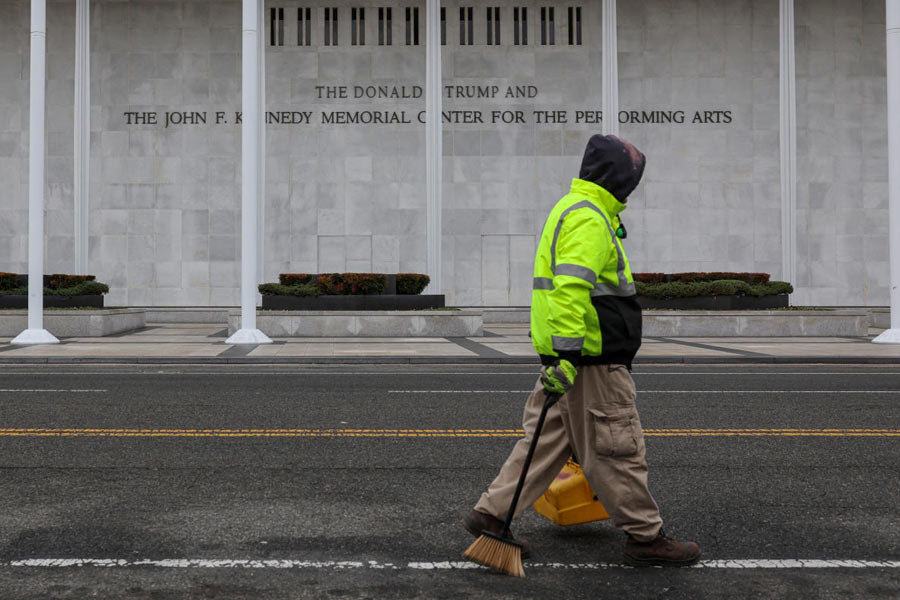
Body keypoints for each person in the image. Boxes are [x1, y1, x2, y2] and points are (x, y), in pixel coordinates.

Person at [463, 134, 700, 567]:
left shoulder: (572, 209)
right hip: (590, 362)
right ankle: (645, 537)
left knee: (543, 442)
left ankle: (492, 514)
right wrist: (570, 356)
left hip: (571, 360)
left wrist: (560, 357)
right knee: (616, 447)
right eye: (631, 177)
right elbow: (571, 290)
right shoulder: (590, 218)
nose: (634, 186)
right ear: (618, 177)